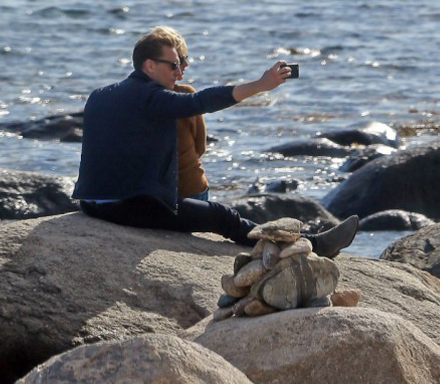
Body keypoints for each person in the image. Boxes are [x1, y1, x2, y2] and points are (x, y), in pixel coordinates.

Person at [73, 26, 358, 256]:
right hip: (126, 208)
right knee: (222, 217)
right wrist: (260, 85)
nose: (179, 72)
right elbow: (200, 101)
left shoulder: (100, 95)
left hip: (91, 203)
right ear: (149, 65)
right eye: (173, 65)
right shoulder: (151, 97)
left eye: (181, 64)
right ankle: (313, 244)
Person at [150, 26, 209, 201]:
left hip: (150, 190)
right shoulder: (185, 94)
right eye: (180, 60)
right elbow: (200, 147)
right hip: (190, 186)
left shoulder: (135, 96)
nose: (186, 64)